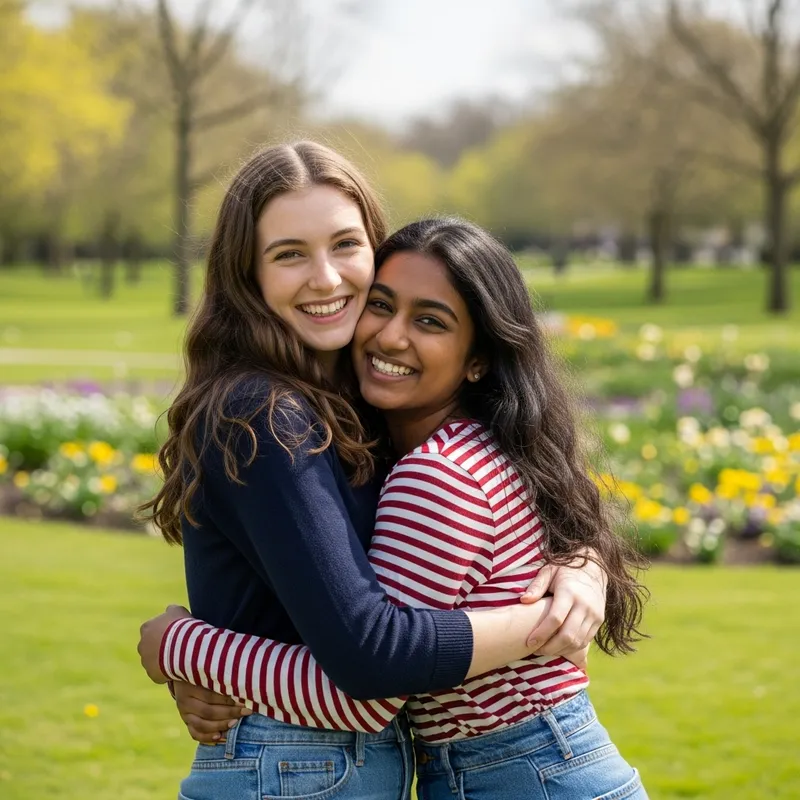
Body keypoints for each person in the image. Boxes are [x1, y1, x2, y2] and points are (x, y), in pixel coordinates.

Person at [138, 143, 610, 799]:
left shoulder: (366, 414)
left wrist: (584, 565)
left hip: (345, 765)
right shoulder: (262, 414)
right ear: (247, 273)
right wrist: (544, 628)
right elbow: (372, 658)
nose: (327, 278)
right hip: (295, 761)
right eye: (289, 254)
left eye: (345, 245)